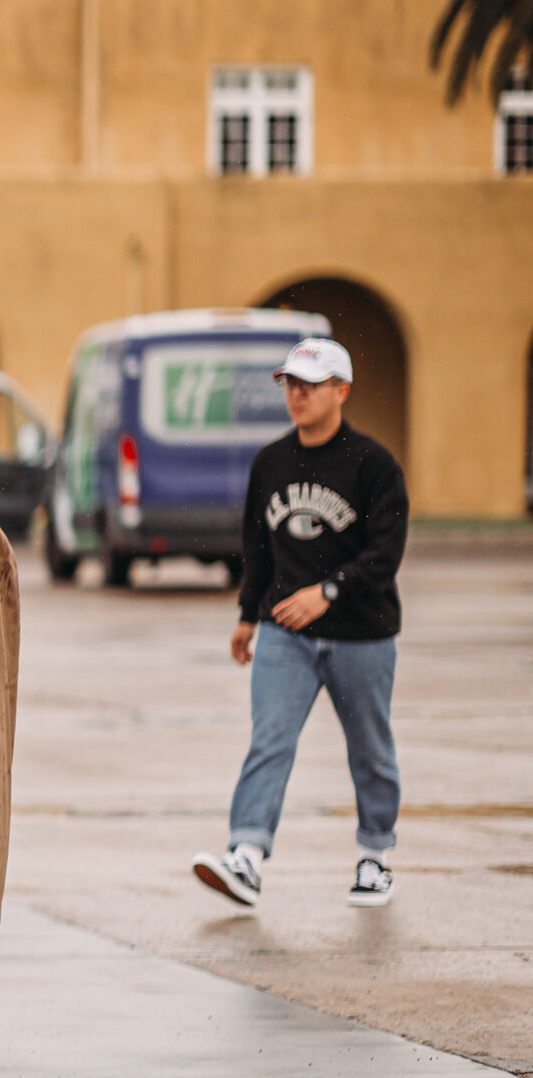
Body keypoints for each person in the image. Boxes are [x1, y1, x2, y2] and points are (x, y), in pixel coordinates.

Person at [193, 337, 407, 910]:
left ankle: (375, 857)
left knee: (369, 748)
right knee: (270, 739)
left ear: (341, 391)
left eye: (309, 385)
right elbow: (257, 547)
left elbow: (386, 554)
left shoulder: (374, 464)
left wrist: (328, 592)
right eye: (290, 384)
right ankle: (247, 856)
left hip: (363, 633)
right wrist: (247, 615)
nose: (297, 395)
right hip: (286, 633)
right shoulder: (271, 462)